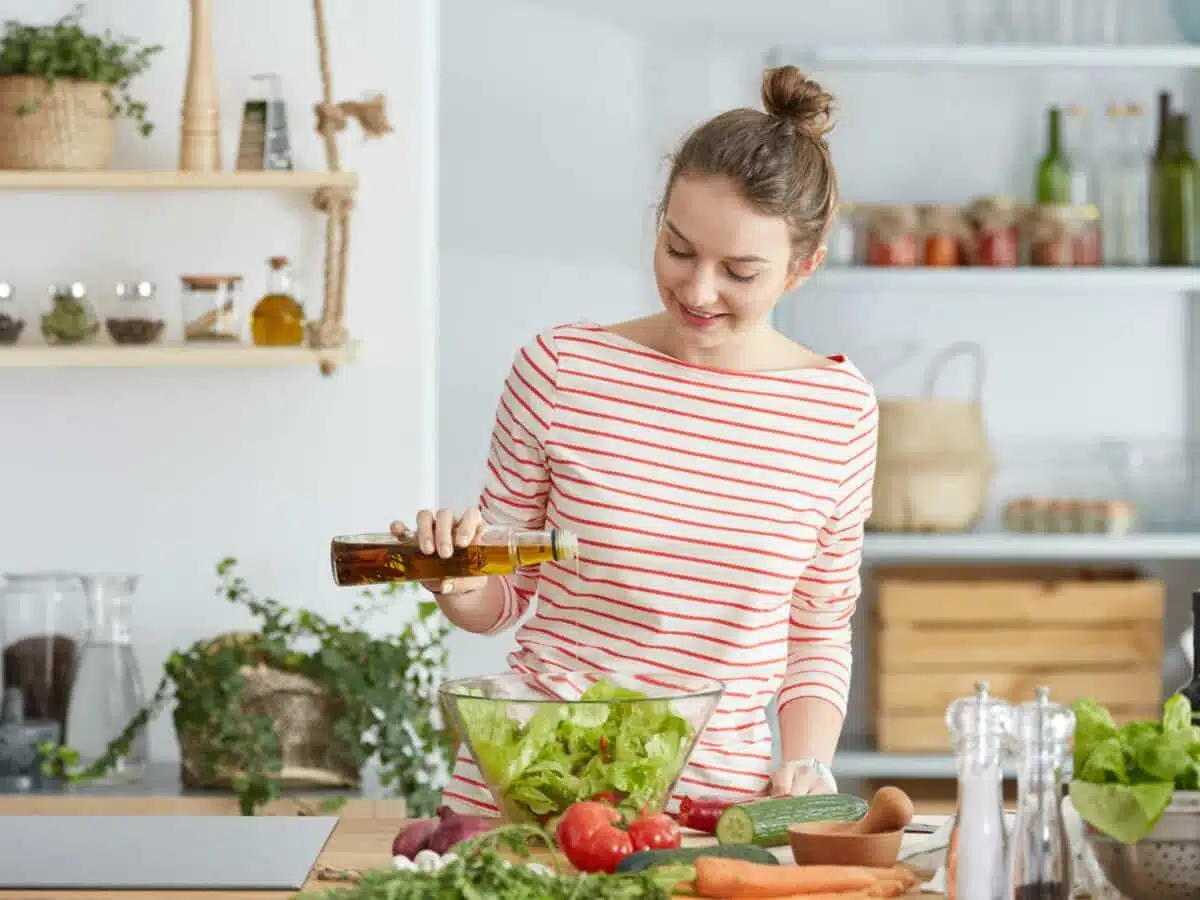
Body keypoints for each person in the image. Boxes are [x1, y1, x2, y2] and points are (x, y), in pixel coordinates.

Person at [395, 64, 879, 815]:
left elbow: (817, 627)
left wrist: (810, 762)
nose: (698, 289)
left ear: (803, 269)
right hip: (531, 786)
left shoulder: (838, 411)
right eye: (678, 249)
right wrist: (456, 581)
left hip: (710, 817)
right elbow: (505, 596)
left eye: (740, 271)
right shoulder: (561, 369)